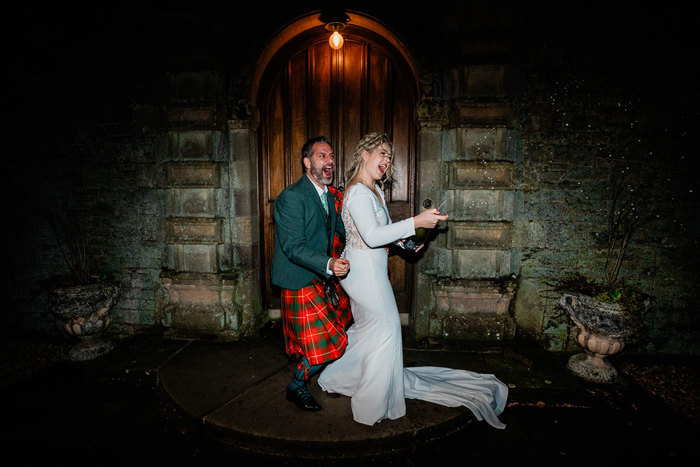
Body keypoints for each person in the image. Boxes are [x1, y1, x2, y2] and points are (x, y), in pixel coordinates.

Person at [317, 133, 508, 428]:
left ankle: (339, 375)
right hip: (362, 275)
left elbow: (385, 231)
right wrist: (417, 221)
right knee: (388, 329)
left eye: (390, 157)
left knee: (372, 332)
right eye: (381, 153)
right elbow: (370, 236)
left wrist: (405, 242)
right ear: (364, 154)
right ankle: (372, 404)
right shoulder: (356, 193)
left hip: (371, 271)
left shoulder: (375, 190)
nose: (386, 161)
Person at [271, 136, 352, 412]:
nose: (329, 161)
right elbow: (293, 247)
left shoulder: (330, 196)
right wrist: (329, 263)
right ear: (307, 162)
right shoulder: (291, 197)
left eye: (331, 156)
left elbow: (342, 231)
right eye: (322, 156)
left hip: (322, 279)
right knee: (330, 341)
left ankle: (300, 379)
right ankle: (296, 386)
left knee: (337, 330)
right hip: (299, 280)